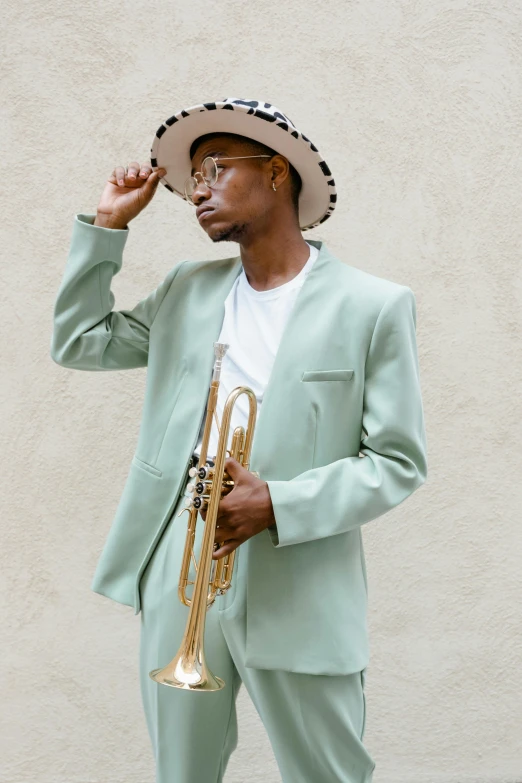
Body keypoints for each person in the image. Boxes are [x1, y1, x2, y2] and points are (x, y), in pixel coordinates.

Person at [50, 98, 427, 783]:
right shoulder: (186, 290)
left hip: (299, 574)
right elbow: (80, 341)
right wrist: (106, 228)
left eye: (218, 168)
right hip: (180, 570)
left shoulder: (374, 305)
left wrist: (278, 502)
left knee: (328, 774)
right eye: (194, 175)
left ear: (278, 172)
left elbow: (397, 462)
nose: (198, 187)